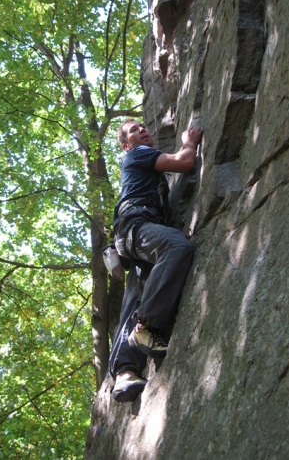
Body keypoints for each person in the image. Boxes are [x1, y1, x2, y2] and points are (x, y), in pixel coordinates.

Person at [109, 119, 203, 402]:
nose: (143, 130)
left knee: (136, 298)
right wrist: (189, 141)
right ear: (127, 145)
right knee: (176, 247)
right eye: (134, 131)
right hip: (136, 228)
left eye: (143, 127)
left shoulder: (140, 163)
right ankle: (147, 327)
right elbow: (184, 162)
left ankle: (125, 374)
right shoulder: (138, 154)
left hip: (131, 237)